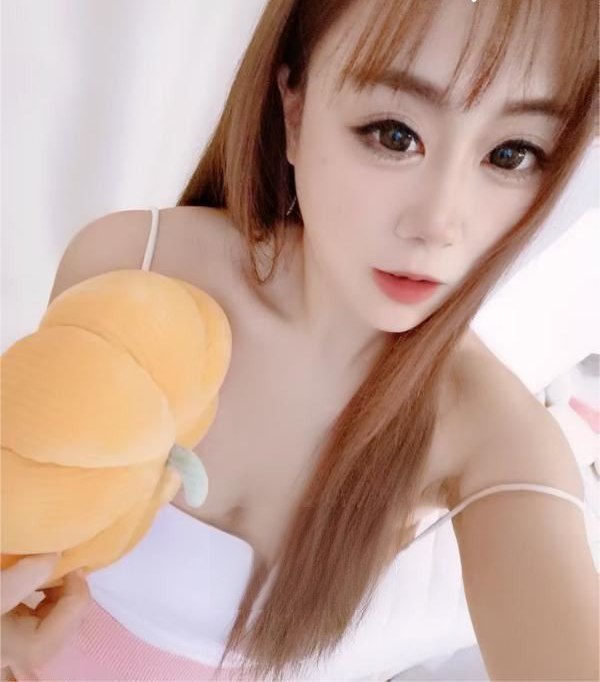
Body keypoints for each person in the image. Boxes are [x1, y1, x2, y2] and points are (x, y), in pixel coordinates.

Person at [2, 0, 598, 679]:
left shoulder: (490, 436)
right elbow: (26, 500)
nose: (439, 223)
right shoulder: (135, 262)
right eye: (394, 135)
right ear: (294, 110)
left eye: (511, 154)